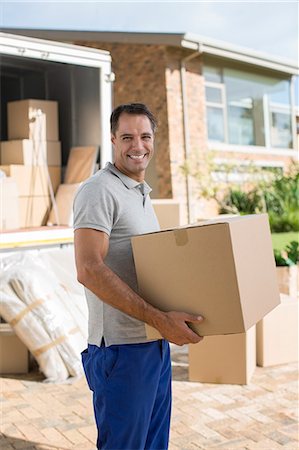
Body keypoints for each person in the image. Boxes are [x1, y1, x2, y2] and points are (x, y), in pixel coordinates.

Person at [73, 103, 204, 450]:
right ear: (113, 140)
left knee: (153, 444)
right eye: (128, 137)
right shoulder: (98, 190)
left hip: (153, 344)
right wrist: (159, 319)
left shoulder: (140, 195)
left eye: (145, 136)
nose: (138, 145)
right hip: (121, 352)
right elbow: (88, 269)